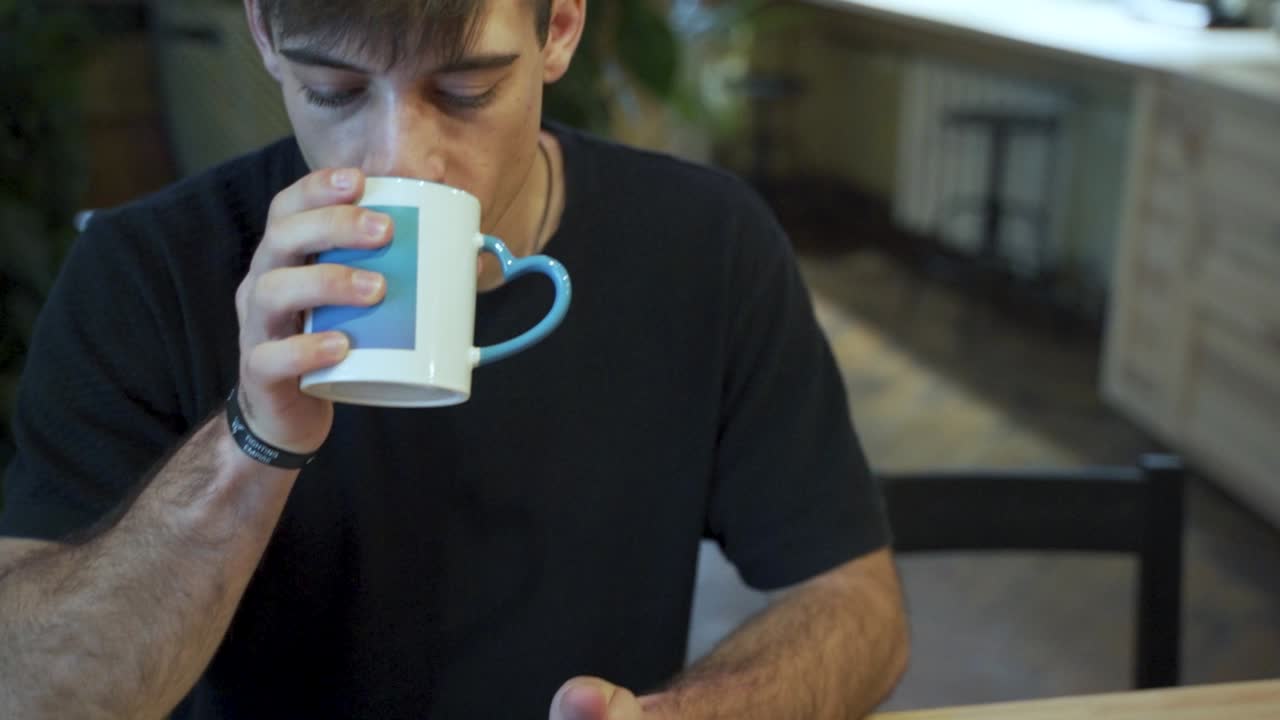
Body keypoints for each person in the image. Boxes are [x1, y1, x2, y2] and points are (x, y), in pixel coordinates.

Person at [0, 0, 908, 717]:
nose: (403, 162)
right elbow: (28, 694)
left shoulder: (705, 244)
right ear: (266, 33)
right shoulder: (147, 269)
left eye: (466, 91)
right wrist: (248, 448)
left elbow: (858, 607)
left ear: (559, 27)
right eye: (335, 91)